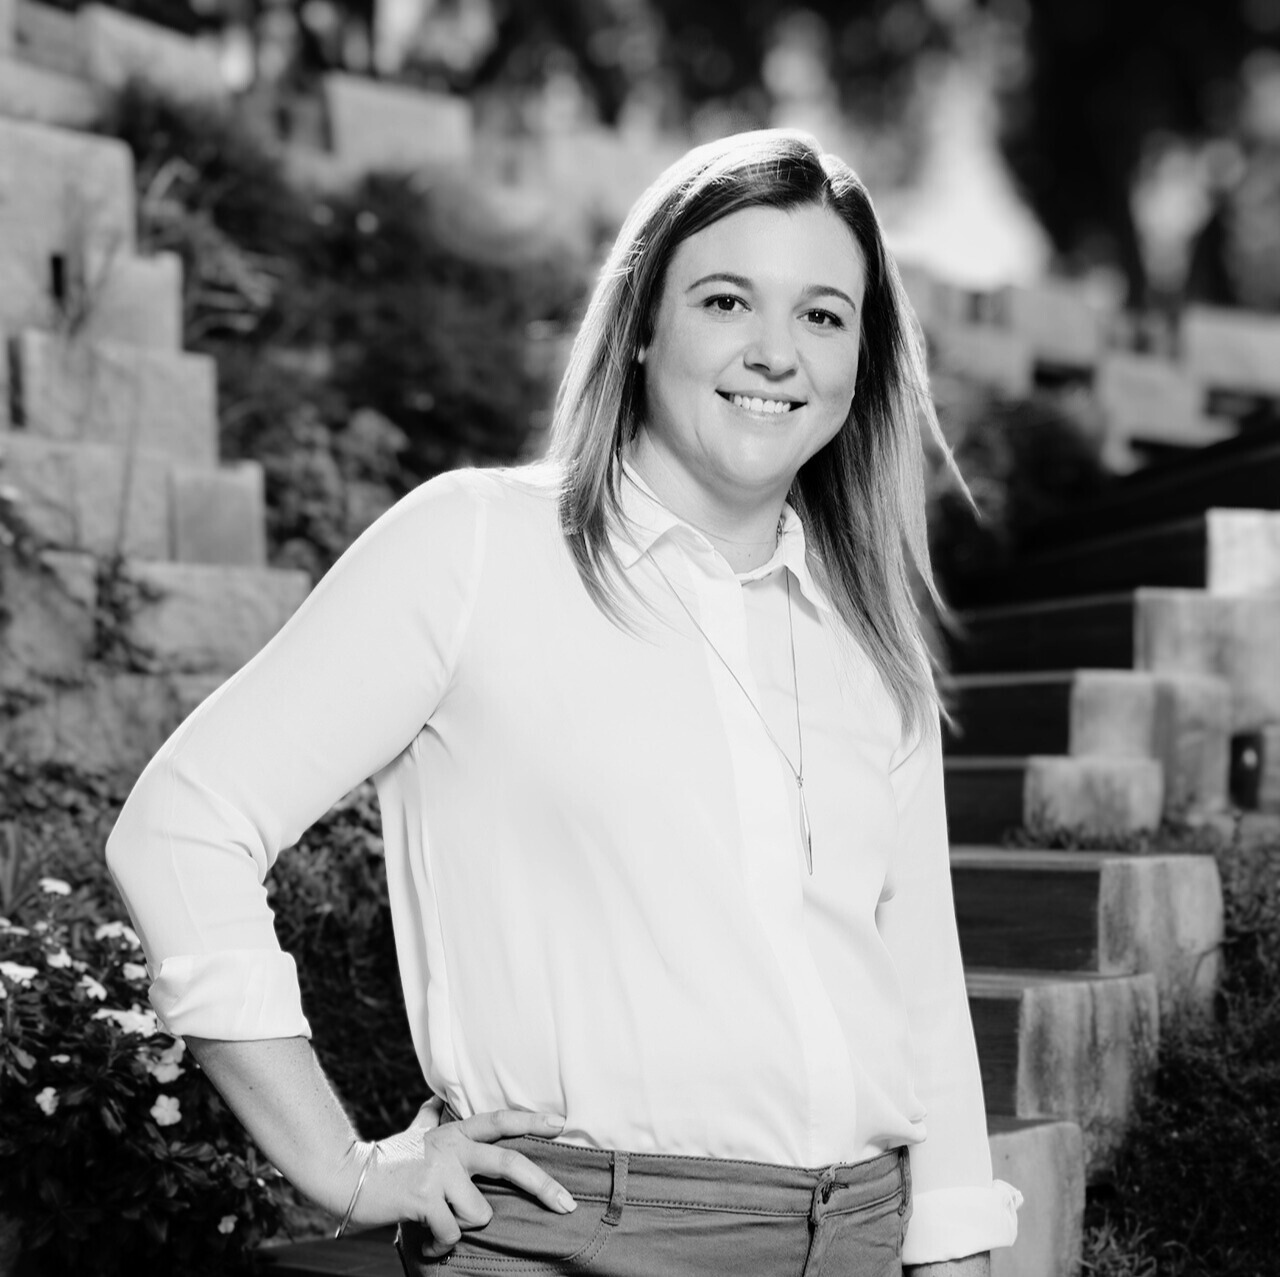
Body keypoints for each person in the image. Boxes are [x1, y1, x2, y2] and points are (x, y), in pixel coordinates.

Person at [106, 129, 1021, 1276]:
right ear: (642, 325)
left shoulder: (866, 644)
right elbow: (183, 822)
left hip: (855, 1237)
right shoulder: (476, 546)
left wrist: (950, 1253)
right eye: (727, 300)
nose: (776, 352)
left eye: (823, 315)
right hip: (565, 1234)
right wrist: (341, 1166)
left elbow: (920, 993)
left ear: (861, 362)